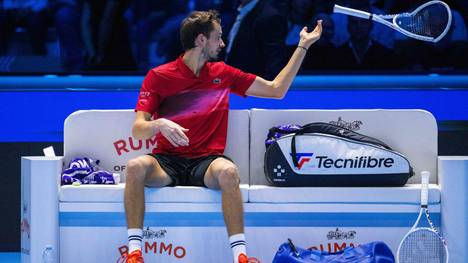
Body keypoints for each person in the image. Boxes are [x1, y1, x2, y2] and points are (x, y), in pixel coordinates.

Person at [123, 10, 322, 263]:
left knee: (229, 172)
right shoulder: (159, 76)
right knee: (134, 167)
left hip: (207, 162)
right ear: (201, 40)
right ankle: (134, 254)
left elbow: (276, 90)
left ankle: (240, 257)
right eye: (218, 37)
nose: (223, 43)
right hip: (166, 162)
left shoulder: (223, 73)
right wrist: (159, 123)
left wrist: (303, 46)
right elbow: (138, 128)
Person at [224, 0, 288, 80]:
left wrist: (260, 91)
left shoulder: (270, 16)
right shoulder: (236, 11)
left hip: (247, 88)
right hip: (228, 85)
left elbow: (274, 64)